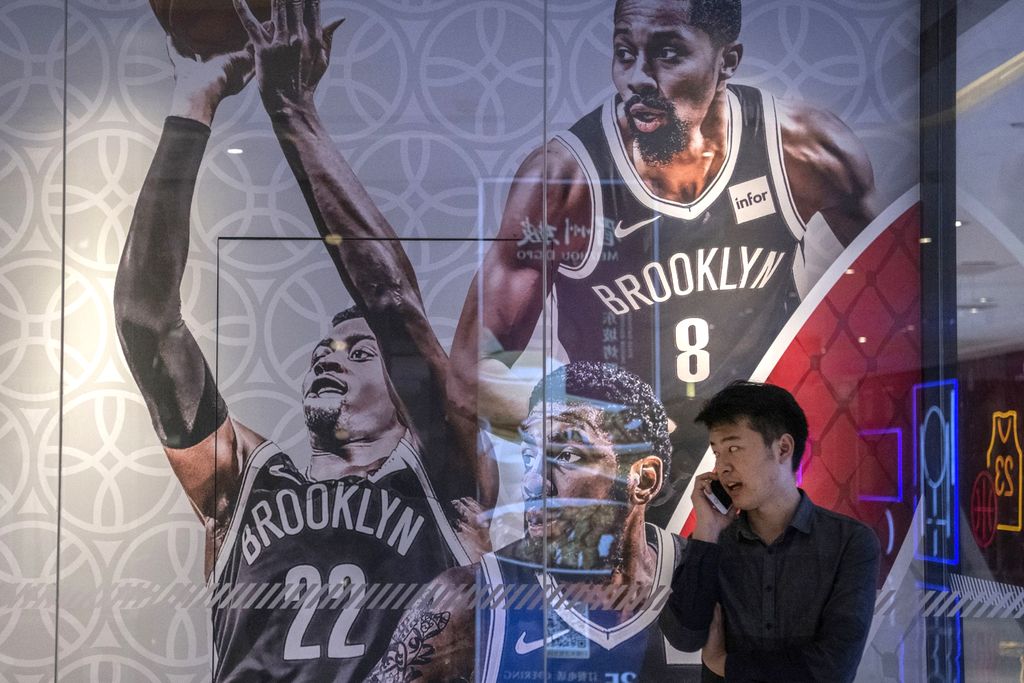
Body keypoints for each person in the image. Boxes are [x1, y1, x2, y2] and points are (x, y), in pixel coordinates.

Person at [113, 6, 489, 678]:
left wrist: (290, 108)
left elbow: (392, 302)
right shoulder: (243, 484)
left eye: (360, 351)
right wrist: (194, 99)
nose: (329, 355)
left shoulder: (443, 479)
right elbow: (146, 321)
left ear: (405, 398)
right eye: (326, 348)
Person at [449, 0, 881, 527]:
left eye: (668, 54)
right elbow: (473, 370)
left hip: (759, 474)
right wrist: (594, 423)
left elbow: (895, 300)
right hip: (627, 490)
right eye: (624, 53)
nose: (637, 77)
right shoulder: (565, 180)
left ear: (727, 61)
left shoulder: (800, 149)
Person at [367, 362, 720, 681]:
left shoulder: (704, 577)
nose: (534, 482)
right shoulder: (469, 599)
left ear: (643, 480)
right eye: (529, 456)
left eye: (566, 455)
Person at [659, 381, 880, 682]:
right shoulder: (713, 542)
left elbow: (833, 668)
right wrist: (707, 530)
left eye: (733, 448)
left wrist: (725, 664)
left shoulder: (849, 542)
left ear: (782, 448)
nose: (722, 467)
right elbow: (684, 636)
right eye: (717, 452)